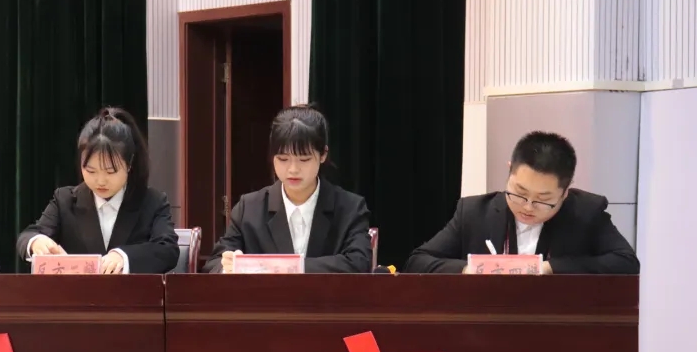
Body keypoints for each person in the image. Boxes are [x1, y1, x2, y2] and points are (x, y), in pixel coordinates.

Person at [404, 131, 639, 274]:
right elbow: (417, 261)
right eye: (519, 193)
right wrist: (469, 270)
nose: (527, 206)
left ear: (565, 192)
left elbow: (626, 263)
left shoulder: (586, 212)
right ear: (510, 171)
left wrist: (548, 268)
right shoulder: (474, 213)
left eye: (543, 200)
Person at [204, 105, 372, 274]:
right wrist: (228, 266)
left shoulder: (350, 208)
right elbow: (214, 264)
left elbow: (359, 262)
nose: (293, 169)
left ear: (323, 154)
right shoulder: (249, 208)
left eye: (304, 160)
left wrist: (288, 267)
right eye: (283, 159)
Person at [16, 107, 179, 274]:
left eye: (110, 171)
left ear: (129, 164)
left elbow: (168, 249)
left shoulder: (152, 202)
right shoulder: (65, 200)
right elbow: (29, 235)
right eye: (91, 171)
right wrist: (36, 242)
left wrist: (124, 257)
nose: (101, 181)